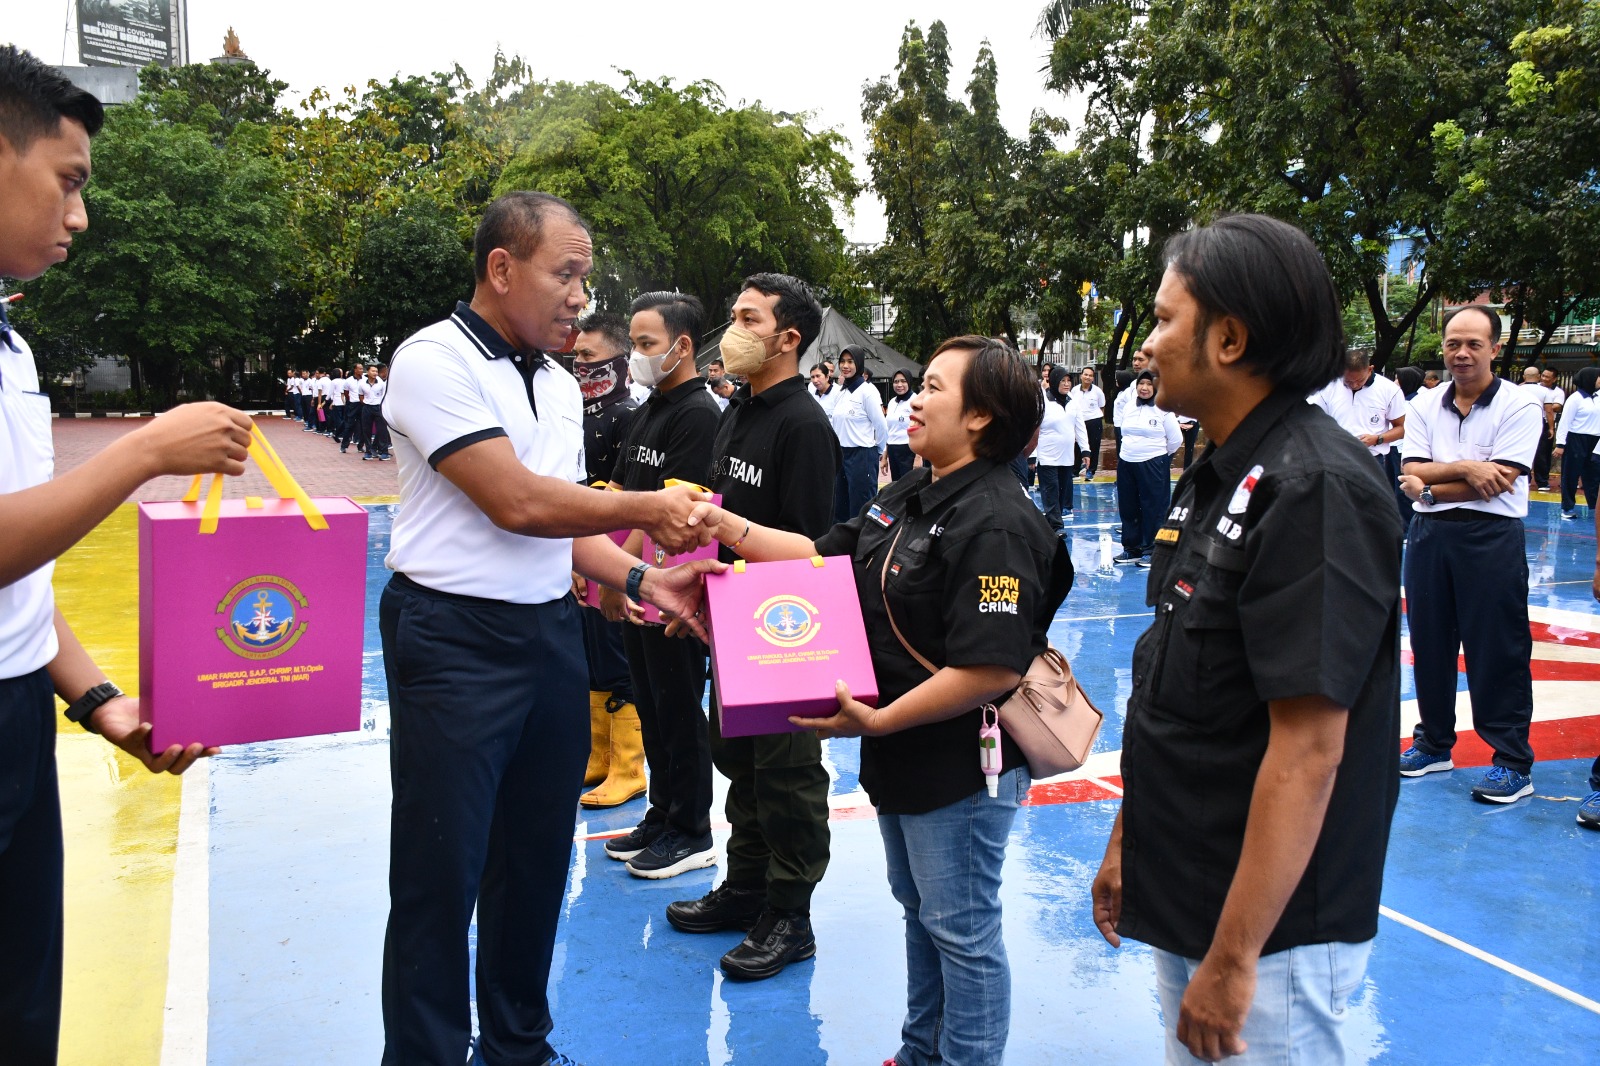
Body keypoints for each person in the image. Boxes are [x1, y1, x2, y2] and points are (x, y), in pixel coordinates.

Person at [375, 190, 721, 1066]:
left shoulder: (559, 385)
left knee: (535, 861)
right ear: (502, 268)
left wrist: (648, 578)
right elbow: (516, 501)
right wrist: (653, 505)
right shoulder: (432, 360)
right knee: (438, 872)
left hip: (544, 639)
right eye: (565, 274)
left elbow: (568, 530)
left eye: (585, 276)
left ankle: (517, 1046)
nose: (581, 295)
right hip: (451, 639)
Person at [689, 337, 1071, 1066]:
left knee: (961, 928)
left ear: (984, 416)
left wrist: (880, 719)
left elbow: (990, 667)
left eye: (932, 388)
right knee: (924, 914)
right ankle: (921, 1052)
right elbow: (821, 554)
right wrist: (724, 533)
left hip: (959, 760)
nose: (914, 399)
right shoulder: (910, 493)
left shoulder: (995, 520)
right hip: (902, 748)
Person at [1093, 213, 1403, 1065]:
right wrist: (1131, 842)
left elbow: (1308, 751)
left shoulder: (1316, 490)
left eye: (1164, 320)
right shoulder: (1221, 473)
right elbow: (1177, 687)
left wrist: (1234, 963)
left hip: (1272, 936)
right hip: (1194, 876)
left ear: (1228, 339)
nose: (1147, 344)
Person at [0, 47, 254, 1063]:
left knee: (24, 1007)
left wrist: (96, 699)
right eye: (67, 182)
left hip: (18, 712)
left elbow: (20, 571)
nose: (79, 218)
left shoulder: (12, 346)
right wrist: (146, 450)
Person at [665, 272, 840, 982]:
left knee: (788, 774)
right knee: (739, 761)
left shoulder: (804, 425)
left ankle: (791, 915)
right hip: (733, 613)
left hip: (789, 625)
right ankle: (747, 890)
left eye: (747, 318)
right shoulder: (739, 411)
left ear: (787, 338)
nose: (733, 330)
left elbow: (809, 545)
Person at [599, 291, 722, 878]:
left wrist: (623, 575)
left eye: (646, 345)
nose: (637, 357)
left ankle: (693, 828)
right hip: (638, 582)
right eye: (635, 345)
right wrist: (607, 570)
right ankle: (663, 811)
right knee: (649, 703)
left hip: (670, 586)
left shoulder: (696, 414)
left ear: (682, 346)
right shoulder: (649, 408)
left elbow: (670, 516)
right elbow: (623, 497)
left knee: (677, 705)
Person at [1398, 304, 1543, 803]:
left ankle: (1511, 762)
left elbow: (1498, 480)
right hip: (1429, 539)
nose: (1461, 354)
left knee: (1497, 648)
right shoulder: (1423, 404)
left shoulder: (1520, 406)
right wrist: (1465, 467)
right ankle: (1435, 743)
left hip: (1491, 539)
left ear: (1495, 350)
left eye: (1473, 345)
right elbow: (1411, 465)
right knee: (1430, 642)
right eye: (1453, 344)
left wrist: (1432, 488)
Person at [568, 313, 644, 810]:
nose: (578, 365)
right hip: (580, 538)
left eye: (589, 357)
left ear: (618, 360)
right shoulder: (573, 410)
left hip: (614, 542)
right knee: (592, 653)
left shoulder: (628, 415)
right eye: (575, 356)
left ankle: (630, 766)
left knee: (616, 652)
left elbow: (631, 495)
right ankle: (600, 755)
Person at [1308, 351, 1408, 522]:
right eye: (1348, 381)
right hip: (1335, 459)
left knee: (1371, 513)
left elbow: (1402, 428)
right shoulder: (1328, 387)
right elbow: (1311, 418)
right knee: (1337, 512)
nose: (1354, 385)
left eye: (1359, 380)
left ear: (1370, 369)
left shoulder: (1389, 390)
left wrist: (1378, 439)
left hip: (1372, 461)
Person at [1112, 371, 1181, 565]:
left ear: (1156, 387)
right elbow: (1123, 432)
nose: (1144, 388)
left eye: (1149, 384)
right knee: (1128, 506)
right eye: (1141, 383)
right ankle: (1131, 548)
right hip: (1126, 461)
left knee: (1154, 507)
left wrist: (1158, 456)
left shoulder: (1163, 409)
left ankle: (1152, 549)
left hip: (1153, 462)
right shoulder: (1128, 407)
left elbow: (1175, 440)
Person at [830, 346, 888, 522]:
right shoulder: (841, 391)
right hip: (841, 454)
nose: (845, 366)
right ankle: (841, 545)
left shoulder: (868, 392)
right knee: (840, 504)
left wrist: (877, 451)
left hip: (862, 455)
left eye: (850, 361)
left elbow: (881, 426)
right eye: (842, 361)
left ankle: (862, 547)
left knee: (861, 506)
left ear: (859, 363)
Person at [1035, 365, 1090, 533]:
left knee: (1061, 491)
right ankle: (1056, 526)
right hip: (1047, 456)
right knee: (1050, 490)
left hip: (1066, 457)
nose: (1066, 384)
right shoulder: (1043, 402)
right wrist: (1032, 455)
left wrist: (1085, 450)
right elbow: (1034, 429)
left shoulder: (1073, 403)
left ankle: (1051, 522)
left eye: (1068, 381)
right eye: (1063, 380)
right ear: (1054, 381)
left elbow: (1080, 427)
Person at [1552, 367, 1600, 519]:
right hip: (1576, 439)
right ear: (1590, 379)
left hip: (1595, 440)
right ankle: (1567, 508)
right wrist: (1560, 444)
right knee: (1571, 475)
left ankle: (1594, 507)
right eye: (1598, 377)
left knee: (1594, 476)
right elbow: (1565, 422)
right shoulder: (1575, 398)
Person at [1519, 365, 1559, 491]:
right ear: (1538, 377)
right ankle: (1542, 482)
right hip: (1539, 422)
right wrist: (1551, 428)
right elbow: (1548, 411)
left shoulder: (1517, 389)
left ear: (1524, 377)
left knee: (1521, 450)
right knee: (1541, 452)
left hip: (1519, 422)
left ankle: (1523, 479)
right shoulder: (1544, 391)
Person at [882, 368, 917, 482]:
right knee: (896, 486)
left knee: (909, 486)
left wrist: (918, 457)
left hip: (909, 450)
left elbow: (922, 429)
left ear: (909, 382)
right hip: (893, 449)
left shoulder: (915, 400)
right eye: (896, 381)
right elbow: (889, 431)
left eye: (903, 381)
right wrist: (884, 457)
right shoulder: (892, 402)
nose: (899, 385)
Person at [1072, 366, 1106, 478]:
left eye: (1090, 375)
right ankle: (1075, 470)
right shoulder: (1074, 390)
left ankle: (1091, 470)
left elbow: (1102, 406)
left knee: (1094, 446)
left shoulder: (1098, 391)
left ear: (1093, 378)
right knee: (1077, 445)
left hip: (1094, 422)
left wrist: (1095, 417)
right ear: (1081, 376)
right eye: (1085, 374)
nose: (1088, 377)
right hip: (1079, 422)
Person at [1541, 367, 1566, 490]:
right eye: (1543, 375)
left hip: (1546, 423)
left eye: (1547, 377)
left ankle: (1542, 481)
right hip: (1531, 422)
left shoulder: (1558, 392)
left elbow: (1556, 407)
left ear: (1554, 379)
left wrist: (1545, 405)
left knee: (1544, 453)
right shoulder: (1534, 387)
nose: (1544, 379)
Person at [361, 364, 391, 461]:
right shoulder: (362, 383)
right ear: (368, 372)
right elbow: (361, 396)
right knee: (366, 430)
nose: (375, 373)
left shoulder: (381, 383)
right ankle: (368, 452)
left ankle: (384, 452)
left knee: (382, 430)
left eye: (376, 371)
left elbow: (384, 395)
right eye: (373, 371)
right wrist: (367, 403)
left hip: (378, 407)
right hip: (367, 407)